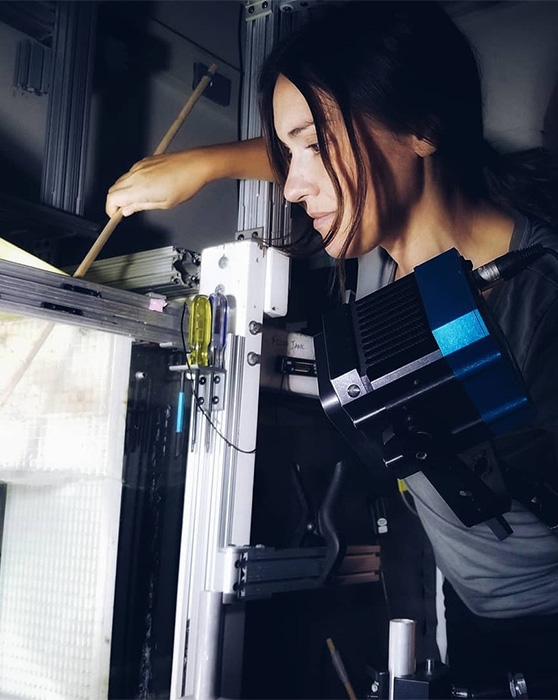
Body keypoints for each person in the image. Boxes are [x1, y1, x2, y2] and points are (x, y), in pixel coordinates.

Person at [106, 1, 558, 694]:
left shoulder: (538, 304)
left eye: (314, 145)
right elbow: (329, 144)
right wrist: (201, 165)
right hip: (463, 601)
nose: (293, 183)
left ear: (422, 127)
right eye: (290, 152)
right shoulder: (382, 228)